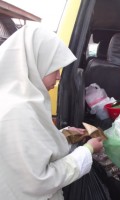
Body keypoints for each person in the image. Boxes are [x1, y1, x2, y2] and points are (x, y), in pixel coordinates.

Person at [0, 25, 103, 200]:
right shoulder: (19, 112)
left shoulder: (16, 103)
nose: (58, 77)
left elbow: (34, 149)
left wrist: (64, 135)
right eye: (54, 68)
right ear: (35, 64)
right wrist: (87, 150)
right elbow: (39, 181)